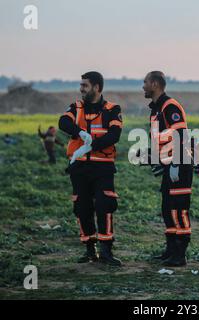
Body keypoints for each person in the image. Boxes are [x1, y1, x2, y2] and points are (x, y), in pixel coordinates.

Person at [58, 71, 123, 266]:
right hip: (79, 167)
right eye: (81, 85)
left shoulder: (112, 109)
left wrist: (91, 145)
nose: (81, 89)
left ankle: (106, 251)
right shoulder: (76, 107)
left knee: (105, 205)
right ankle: (89, 250)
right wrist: (79, 132)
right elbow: (63, 122)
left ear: (96, 87)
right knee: (82, 208)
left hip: (103, 167)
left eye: (85, 85)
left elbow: (114, 135)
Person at [143, 71, 193, 267]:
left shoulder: (169, 106)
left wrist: (175, 163)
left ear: (155, 84)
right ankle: (171, 250)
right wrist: (156, 159)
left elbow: (181, 134)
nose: (143, 86)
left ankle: (180, 254)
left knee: (179, 210)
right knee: (167, 209)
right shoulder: (156, 109)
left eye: (145, 82)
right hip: (168, 166)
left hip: (179, 166)